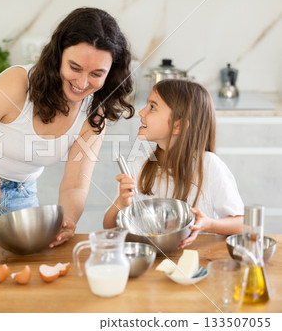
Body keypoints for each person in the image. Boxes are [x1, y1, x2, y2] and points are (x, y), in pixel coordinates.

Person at [0, 7, 135, 247]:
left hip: (20, 200)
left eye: (97, 74)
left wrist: (68, 219)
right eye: (75, 68)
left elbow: (75, 183)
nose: (83, 83)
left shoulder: (94, 112)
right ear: (57, 57)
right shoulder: (19, 84)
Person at [103, 79, 243, 248]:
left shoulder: (209, 165)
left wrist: (209, 224)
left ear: (178, 125)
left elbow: (243, 225)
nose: (141, 112)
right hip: (151, 258)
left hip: (198, 260)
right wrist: (121, 203)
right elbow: (109, 227)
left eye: (152, 107)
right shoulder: (138, 163)